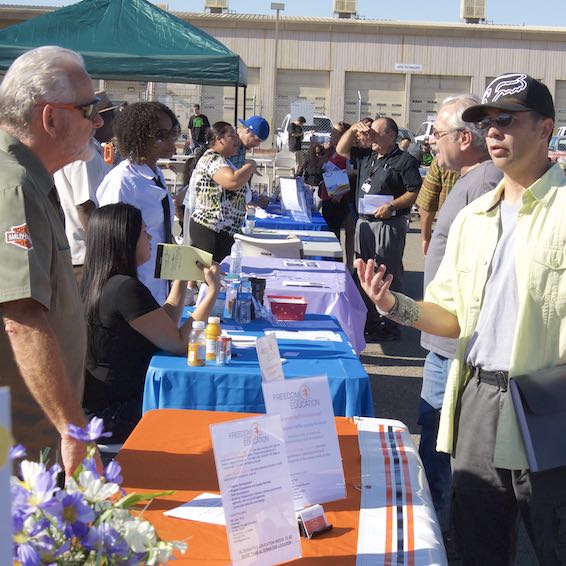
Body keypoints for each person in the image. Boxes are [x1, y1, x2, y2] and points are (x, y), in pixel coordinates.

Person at [355, 73, 566, 566]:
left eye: (507, 120)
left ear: (546, 129)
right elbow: (450, 316)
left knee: (554, 543)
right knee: (478, 544)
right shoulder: (475, 218)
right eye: (486, 122)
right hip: (478, 399)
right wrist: (392, 306)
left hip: (552, 404)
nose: (493, 131)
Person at [0, 46, 104, 475]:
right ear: (51, 118)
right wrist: (72, 429)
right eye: (89, 109)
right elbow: (21, 318)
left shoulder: (29, 179)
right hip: (21, 451)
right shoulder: (15, 185)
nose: (98, 122)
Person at [417, 94, 502, 534]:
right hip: (444, 341)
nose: (431, 141)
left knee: (441, 449)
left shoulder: (485, 184)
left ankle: (444, 536)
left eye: (438, 133)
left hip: (454, 348)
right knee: (435, 442)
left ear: (464, 138)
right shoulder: (469, 178)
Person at [81, 203, 220, 442]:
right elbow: (177, 343)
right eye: (144, 232)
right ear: (125, 239)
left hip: (98, 406)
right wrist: (213, 292)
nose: (150, 238)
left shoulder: (100, 283)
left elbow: (162, 324)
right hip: (119, 412)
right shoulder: (125, 288)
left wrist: (181, 278)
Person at [336, 117, 422, 342]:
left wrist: (392, 205)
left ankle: (391, 323)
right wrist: (353, 129)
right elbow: (341, 149)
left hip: (388, 224)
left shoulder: (404, 160)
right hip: (364, 222)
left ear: (391, 136)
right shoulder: (368, 156)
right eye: (369, 132)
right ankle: (369, 320)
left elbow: (413, 191)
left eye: (376, 133)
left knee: (386, 272)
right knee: (364, 272)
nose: (370, 136)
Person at [96, 101, 180, 305]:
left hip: (159, 288)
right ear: (140, 138)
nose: (171, 141)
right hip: (133, 296)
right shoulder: (122, 182)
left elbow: (160, 231)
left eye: (173, 132)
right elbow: (111, 247)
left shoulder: (156, 174)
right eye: (162, 135)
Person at [53, 91, 117, 283]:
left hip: (86, 254)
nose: (117, 121)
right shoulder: (84, 156)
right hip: (85, 257)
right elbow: (86, 207)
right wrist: (101, 255)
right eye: (114, 116)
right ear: (100, 119)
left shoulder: (91, 151)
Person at [188, 121, 258, 262]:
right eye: (231, 135)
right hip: (211, 230)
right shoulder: (213, 159)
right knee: (209, 279)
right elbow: (232, 182)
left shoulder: (224, 161)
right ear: (219, 139)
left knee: (210, 279)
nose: (236, 140)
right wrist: (250, 166)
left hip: (222, 232)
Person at [318, 121, 356, 268]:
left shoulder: (346, 154)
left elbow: (348, 173)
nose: (330, 135)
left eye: (334, 133)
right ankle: (337, 263)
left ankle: (345, 265)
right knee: (333, 233)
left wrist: (340, 193)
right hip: (328, 195)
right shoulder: (332, 152)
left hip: (338, 197)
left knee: (341, 232)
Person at [416, 156, 459, 255]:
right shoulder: (495, 158)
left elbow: (427, 205)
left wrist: (425, 238)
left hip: (448, 235)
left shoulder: (442, 159)